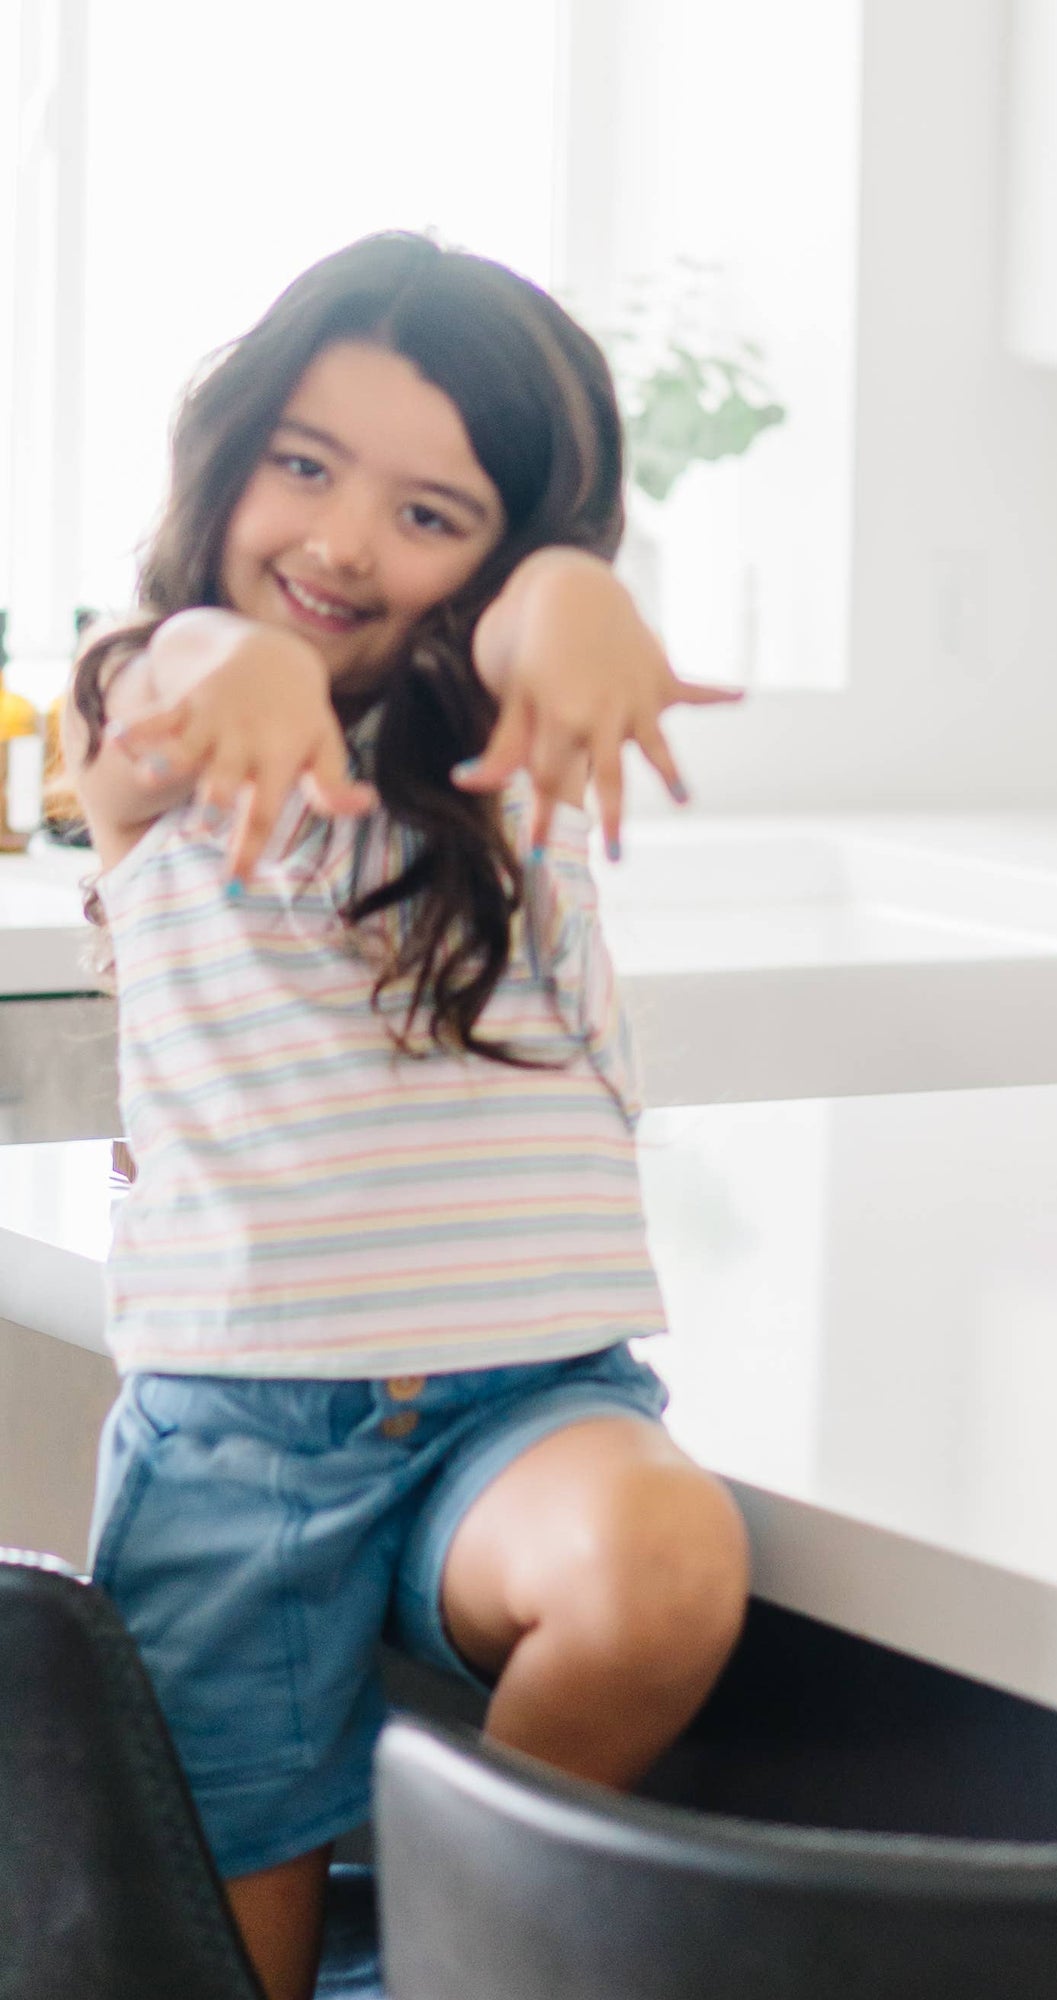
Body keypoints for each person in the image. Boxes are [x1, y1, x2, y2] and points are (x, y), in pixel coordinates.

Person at [62, 232, 751, 2000]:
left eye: (431, 513)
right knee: (229, 1977)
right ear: (231, 457)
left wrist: (579, 603)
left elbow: (549, 615)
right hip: (240, 1442)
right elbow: (166, 691)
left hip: (522, 1409)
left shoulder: (523, 737)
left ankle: (462, 1932)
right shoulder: (146, 701)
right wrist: (238, 667)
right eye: (304, 467)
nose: (345, 541)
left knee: (666, 1566)